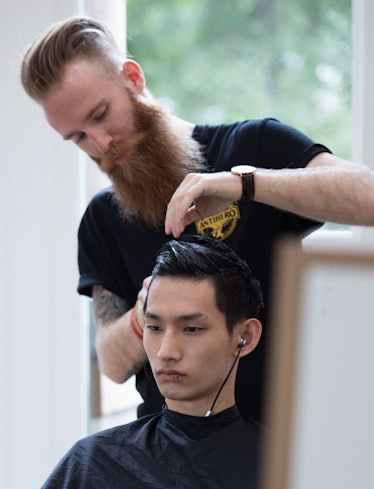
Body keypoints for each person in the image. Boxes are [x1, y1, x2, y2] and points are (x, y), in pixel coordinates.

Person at [20, 16, 374, 422]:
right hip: (168, 461)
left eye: (100, 115)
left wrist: (245, 185)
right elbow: (113, 364)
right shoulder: (102, 220)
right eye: (78, 137)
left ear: (132, 78)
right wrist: (146, 312)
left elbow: (368, 196)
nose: (100, 144)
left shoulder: (253, 146)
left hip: (276, 444)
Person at [6, 235, 264, 489]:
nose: (166, 352)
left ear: (244, 337)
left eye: (192, 330)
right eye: (154, 328)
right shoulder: (93, 467)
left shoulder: (287, 473)